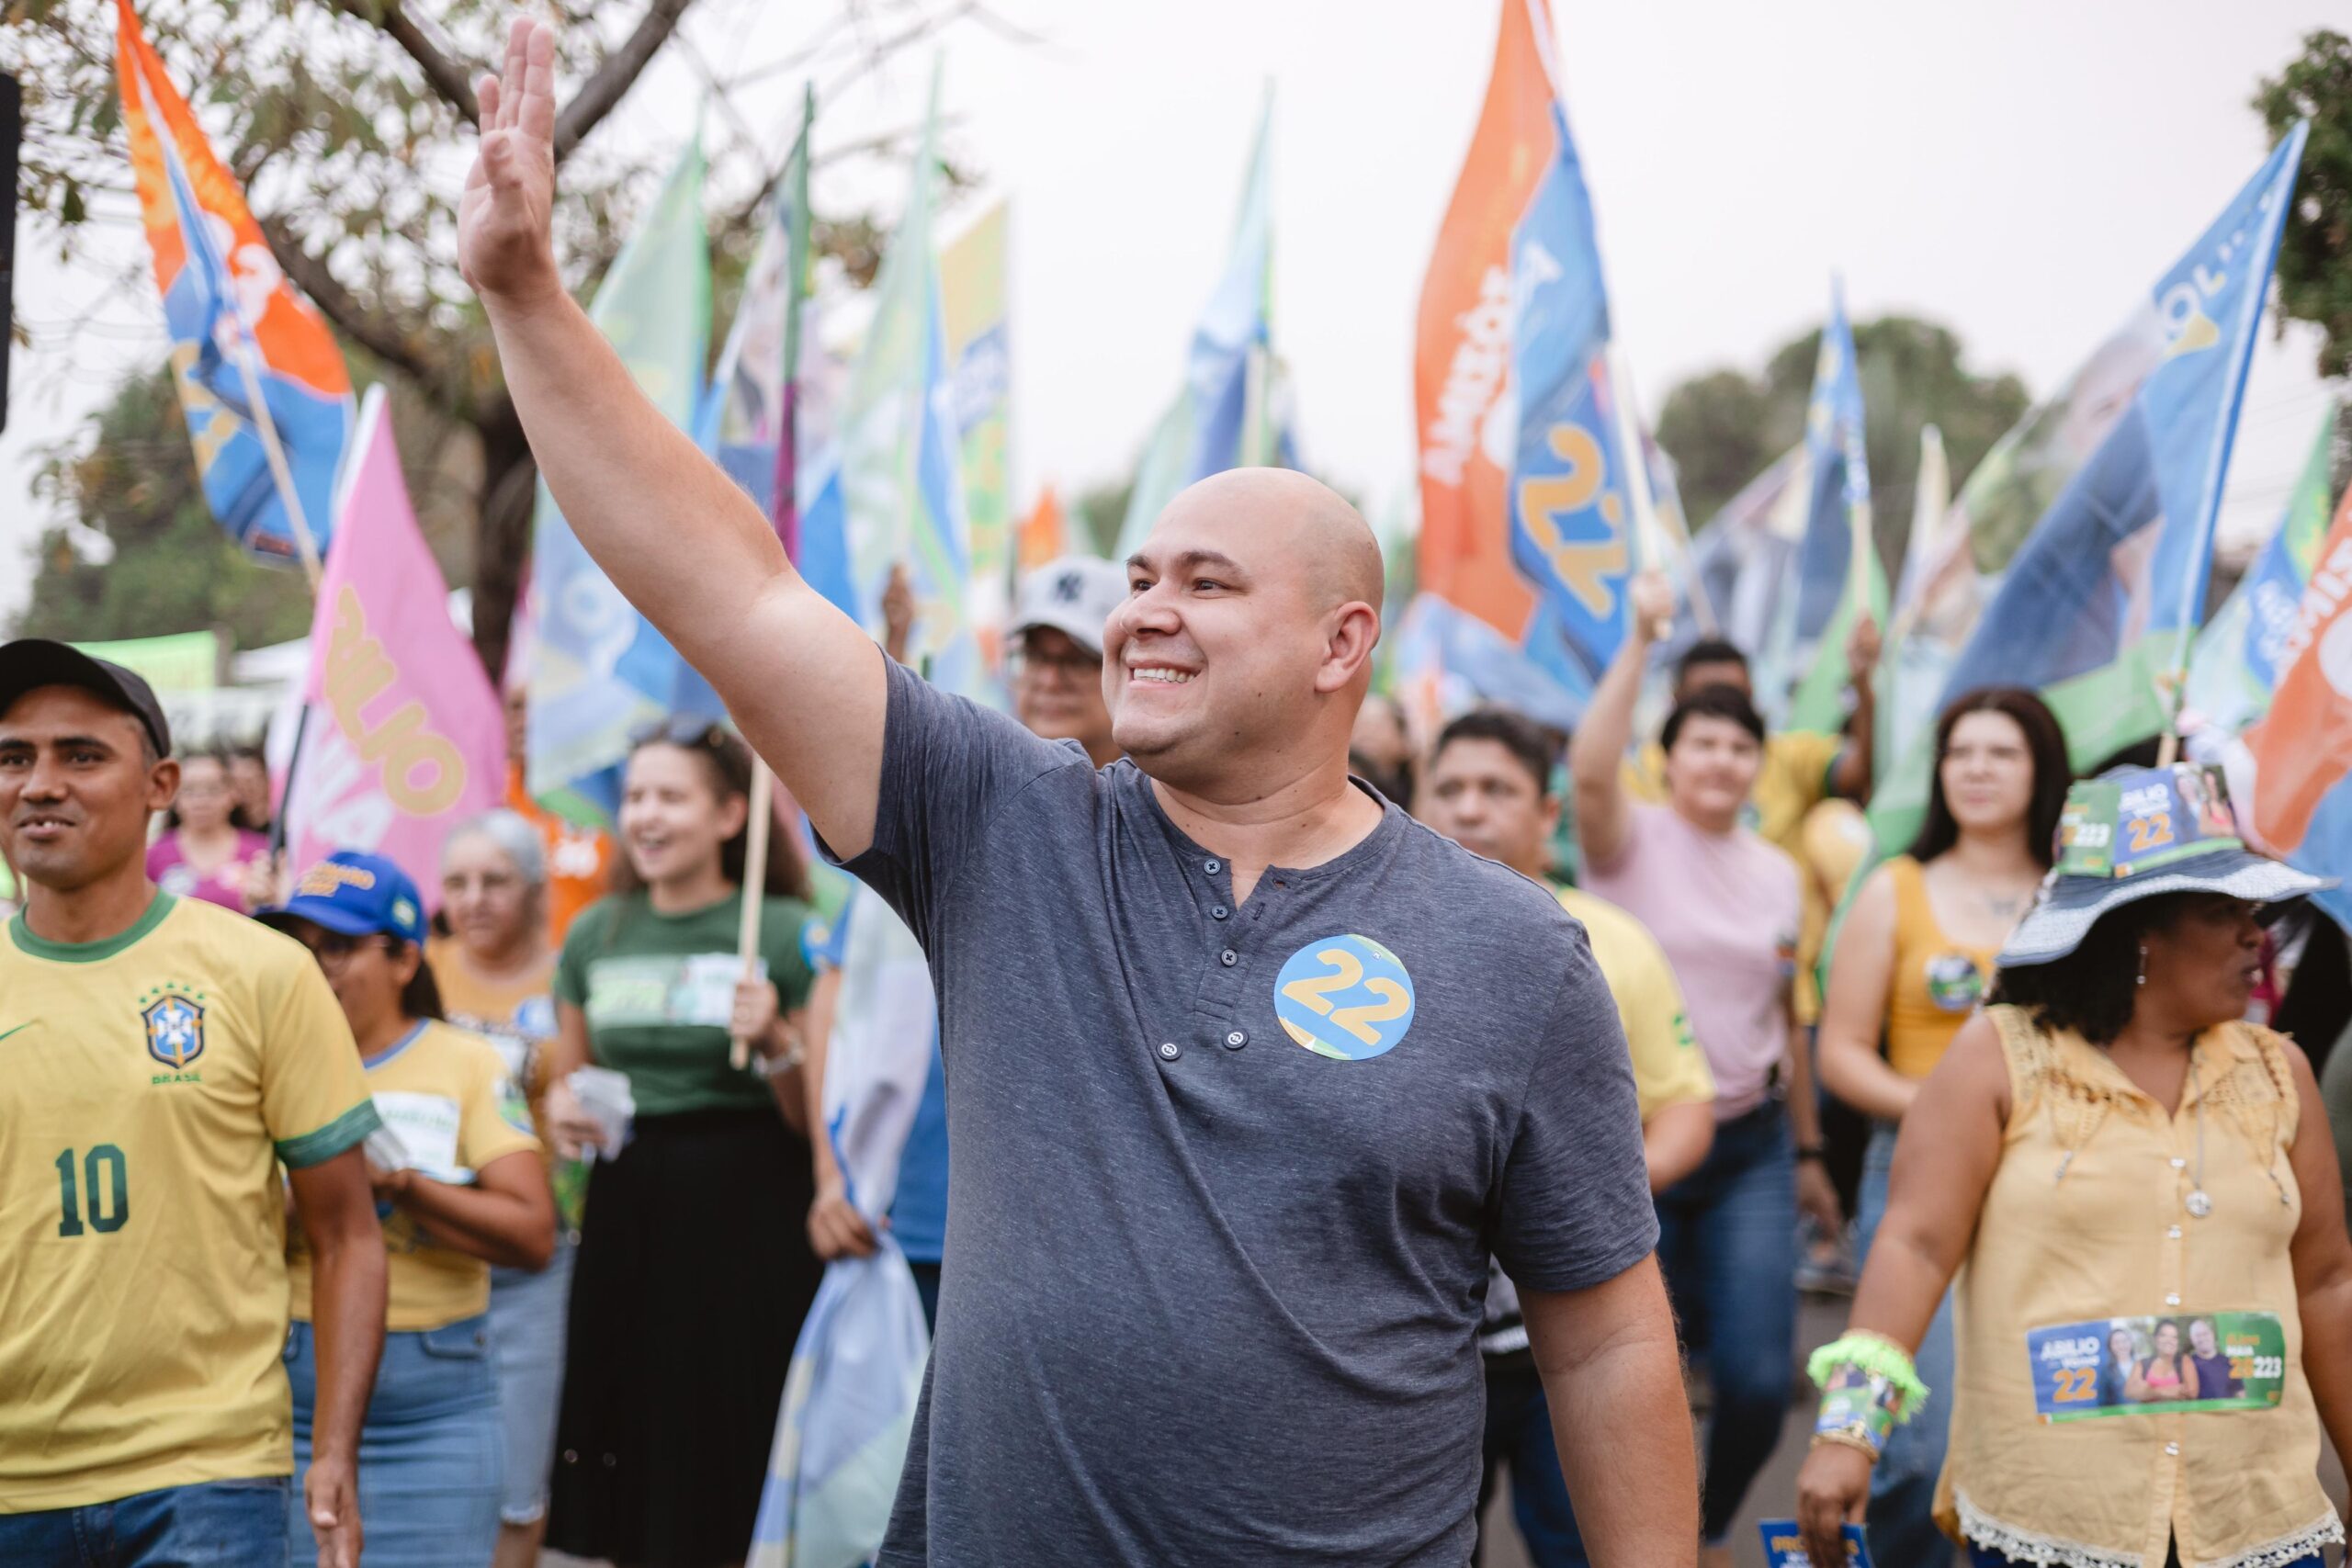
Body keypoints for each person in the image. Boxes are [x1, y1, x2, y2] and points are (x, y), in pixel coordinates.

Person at [459, 25, 1694, 1562]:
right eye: (1137, 578)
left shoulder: (1515, 955)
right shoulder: (1003, 826)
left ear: (1341, 643)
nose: (1141, 614)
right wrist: (529, 303)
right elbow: (739, 592)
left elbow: (1607, 1338)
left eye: (1208, 582)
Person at [1796, 761, 2352, 1568]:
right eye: (2222, 909)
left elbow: (2327, 1282)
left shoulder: (2279, 1072)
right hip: (2055, 1518)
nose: (2254, 936)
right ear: (2137, 931)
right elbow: (1913, 1246)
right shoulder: (1999, 1058)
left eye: (2254, 910)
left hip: (2251, 1519)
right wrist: (1849, 1428)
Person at [0, 640, 387, 1568]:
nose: (40, 784)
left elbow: (346, 1235)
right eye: (14, 758)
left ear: (160, 782)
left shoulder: (264, 972)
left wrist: (333, 1452)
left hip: (207, 1475)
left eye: (80, 756)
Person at [1570, 570, 1839, 1562]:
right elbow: (1589, 772)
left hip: (1749, 1148)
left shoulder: (1779, 872)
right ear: (1668, 758)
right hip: (1627, 1142)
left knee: (1763, 1382)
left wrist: (1808, 1151)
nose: (1721, 761)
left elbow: (1787, 1014)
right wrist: (1640, 641)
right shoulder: (1625, 841)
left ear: (1756, 766)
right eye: (1701, 743)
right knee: (1638, 1376)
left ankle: (1708, 1527)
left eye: (1739, 746)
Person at [1419, 707, 1717, 1567]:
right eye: (1451, 788)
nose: (1471, 808)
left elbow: (1687, 1108)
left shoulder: (1607, 943)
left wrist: (1570, 1207)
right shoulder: (1360, 954)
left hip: (1570, 1342)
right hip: (1427, 1360)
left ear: (1548, 814)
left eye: (1497, 788)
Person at [541, 720, 820, 1567]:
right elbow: (567, 1080)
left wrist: (775, 1039)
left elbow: (813, 1119)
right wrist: (561, 1110)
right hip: (630, 1206)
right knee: (631, 1425)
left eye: (671, 795)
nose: (646, 815)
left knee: (733, 1421)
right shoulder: (595, 933)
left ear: (732, 813)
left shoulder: (780, 930)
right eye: (634, 796)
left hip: (749, 1205)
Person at [1815, 686, 2068, 1563]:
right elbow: (1841, 1051)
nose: (1978, 769)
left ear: (2041, 770)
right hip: (1918, 1168)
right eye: (1961, 751)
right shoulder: (1895, 887)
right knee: (1914, 1451)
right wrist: (1947, 1112)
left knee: (2040, 1423)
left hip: (2057, 1175)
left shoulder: (2077, 892)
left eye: (2003, 752)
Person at [264, 852, 557, 1568]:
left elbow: (532, 1232)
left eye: (338, 946)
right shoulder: (259, 1061)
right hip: (287, 1398)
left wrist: (404, 1185)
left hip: (440, 1405)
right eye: (297, 946)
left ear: (403, 959)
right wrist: (323, 1190)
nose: (314, 965)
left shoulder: (467, 1061)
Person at [431, 810, 574, 1568]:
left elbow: (585, 1088)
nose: (475, 898)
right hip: (424, 1248)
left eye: (495, 880)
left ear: (533, 890)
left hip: (530, 1258)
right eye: (457, 881)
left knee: (520, 1479)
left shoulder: (564, 976)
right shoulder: (414, 966)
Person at [501, 684, 614, 945]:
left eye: (543, 703)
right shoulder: (488, 801)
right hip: (515, 977)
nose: (528, 720)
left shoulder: (613, 798)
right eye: (517, 707)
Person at [1006, 553, 1126, 766]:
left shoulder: (1168, 793)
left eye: (1079, 662)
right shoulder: (983, 782)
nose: (1049, 681)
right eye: (1035, 657)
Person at [147, 744, 272, 911]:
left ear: (233, 793)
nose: (201, 801)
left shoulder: (261, 852)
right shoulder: (152, 857)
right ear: (174, 797)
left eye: (213, 789)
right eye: (189, 790)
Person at [2125, 1318, 2196, 1404]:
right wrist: (2162, 1392)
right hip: (2149, 1416)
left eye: (2174, 1337)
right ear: (2155, 1339)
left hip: (2178, 1416)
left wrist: (2148, 1389)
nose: (2169, 1340)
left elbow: (2192, 1392)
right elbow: (2129, 1391)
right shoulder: (2142, 1364)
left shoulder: (2184, 1360)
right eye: (2164, 1335)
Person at [228, 739, 277, 837]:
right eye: (238, 783)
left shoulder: (285, 822)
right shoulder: (227, 827)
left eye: (251, 781)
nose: (246, 789)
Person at [2187, 1317, 2242, 1399]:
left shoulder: (2230, 1362)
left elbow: (2241, 1393)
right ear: (2191, 1339)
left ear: (2212, 1334)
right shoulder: (2187, 1364)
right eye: (2197, 1335)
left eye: (2205, 1334)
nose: (2202, 1338)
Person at [2097, 1325, 2137, 1407]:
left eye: (2124, 1341)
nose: (2121, 1345)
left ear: (2130, 1342)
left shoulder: (2142, 1365)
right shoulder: (2107, 1371)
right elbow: (2102, 1402)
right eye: (2116, 1342)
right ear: (2111, 1346)